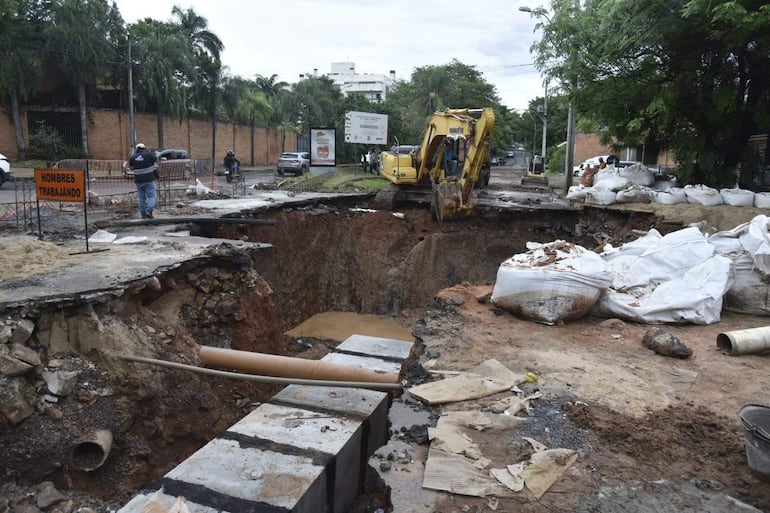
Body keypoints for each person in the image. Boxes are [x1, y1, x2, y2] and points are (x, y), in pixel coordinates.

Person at [128, 143, 158, 219]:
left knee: (141, 197)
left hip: (138, 181)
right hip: (149, 180)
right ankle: (149, 211)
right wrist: (148, 151)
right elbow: (155, 159)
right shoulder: (148, 155)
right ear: (144, 148)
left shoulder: (133, 157)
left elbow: (131, 167)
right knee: (152, 196)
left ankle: (143, 214)